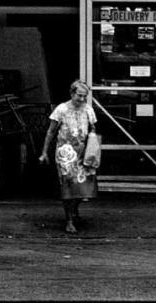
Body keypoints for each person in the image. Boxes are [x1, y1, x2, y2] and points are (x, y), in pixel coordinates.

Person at [38, 79, 98, 234]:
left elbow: (93, 130)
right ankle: (69, 220)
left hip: (83, 153)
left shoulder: (88, 110)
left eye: (85, 96)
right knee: (68, 187)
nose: (82, 99)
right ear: (72, 93)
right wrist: (44, 152)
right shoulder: (61, 109)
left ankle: (74, 209)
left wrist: (93, 149)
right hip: (66, 154)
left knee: (82, 187)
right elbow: (51, 132)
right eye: (79, 95)